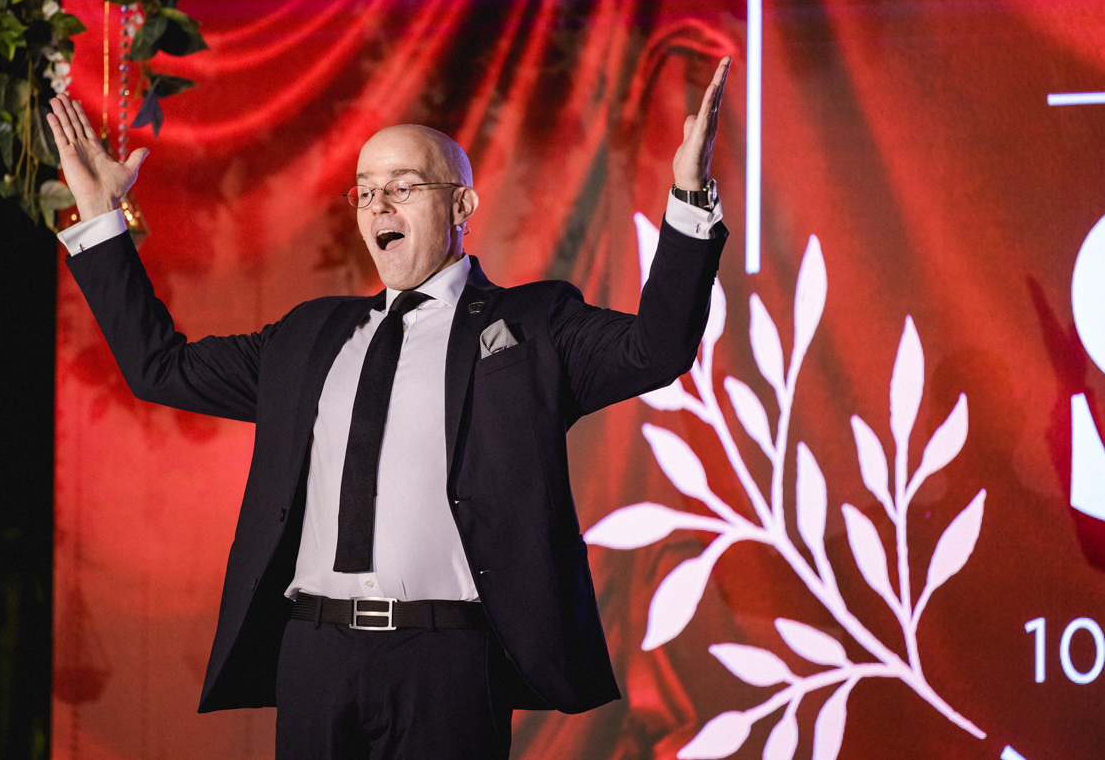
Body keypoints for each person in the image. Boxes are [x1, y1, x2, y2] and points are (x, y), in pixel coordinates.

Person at [47, 56, 731, 760]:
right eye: (366, 190)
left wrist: (688, 196)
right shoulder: (307, 337)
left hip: (448, 660)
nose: (379, 205)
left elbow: (657, 349)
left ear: (462, 206)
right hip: (315, 653)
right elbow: (161, 369)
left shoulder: (534, 325)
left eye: (403, 187)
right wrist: (100, 217)